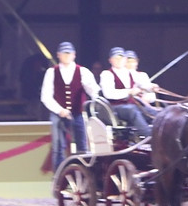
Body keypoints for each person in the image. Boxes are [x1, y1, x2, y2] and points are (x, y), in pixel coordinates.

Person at [41, 41, 99, 171]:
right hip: (58, 114)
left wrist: (94, 99)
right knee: (58, 147)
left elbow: (94, 91)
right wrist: (60, 110)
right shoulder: (52, 72)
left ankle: (84, 173)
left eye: (69, 53)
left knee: (82, 145)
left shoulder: (83, 71)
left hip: (77, 112)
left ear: (74, 55)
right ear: (58, 55)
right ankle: (59, 176)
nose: (66, 56)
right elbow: (46, 96)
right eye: (64, 53)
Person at [99, 47, 151, 139]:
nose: (119, 60)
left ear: (125, 59)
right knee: (132, 110)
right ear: (110, 60)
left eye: (121, 58)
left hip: (132, 105)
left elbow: (144, 84)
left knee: (153, 112)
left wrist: (151, 87)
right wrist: (129, 92)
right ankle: (148, 136)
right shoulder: (106, 74)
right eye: (116, 58)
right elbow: (109, 93)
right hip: (115, 107)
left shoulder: (131, 73)